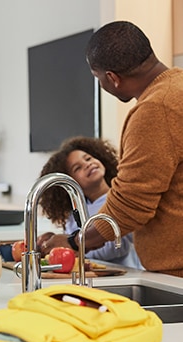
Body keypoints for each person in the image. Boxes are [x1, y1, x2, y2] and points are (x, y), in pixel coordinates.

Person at [39, 21, 183, 277]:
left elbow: (130, 205)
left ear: (113, 78)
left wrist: (74, 242)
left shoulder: (155, 109)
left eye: (98, 79)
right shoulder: (177, 88)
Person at [36, 137, 143, 269]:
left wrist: (73, 246)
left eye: (88, 158)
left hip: (123, 273)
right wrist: (54, 242)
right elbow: (69, 240)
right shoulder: (74, 212)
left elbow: (117, 246)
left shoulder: (120, 200)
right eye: (77, 168)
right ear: (71, 181)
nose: (87, 164)